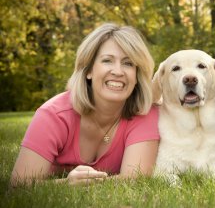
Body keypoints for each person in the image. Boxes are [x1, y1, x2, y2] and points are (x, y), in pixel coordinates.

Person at [11, 23, 160, 186]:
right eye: (107, 61)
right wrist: (65, 184)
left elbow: (135, 179)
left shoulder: (144, 114)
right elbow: (19, 184)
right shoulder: (53, 115)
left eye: (128, 63)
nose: (118, 71)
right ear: (88, 70)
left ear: (137, 75)